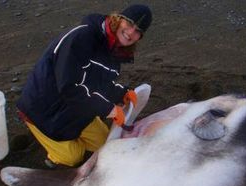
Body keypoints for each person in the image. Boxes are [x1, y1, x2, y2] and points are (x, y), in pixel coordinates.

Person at [16, 4, 152, 168]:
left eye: (137, 31)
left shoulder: (116, 50)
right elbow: (68, 87)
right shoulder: (82, 37)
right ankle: (52, 150)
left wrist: (121, 93)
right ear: (119, 19)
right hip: (44, 109)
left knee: (105, 144)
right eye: (129, 24)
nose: (131, 33)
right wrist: (108, 109)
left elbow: (100, 82)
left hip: (74, 108)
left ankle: (64, 138)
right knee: (73, 157)